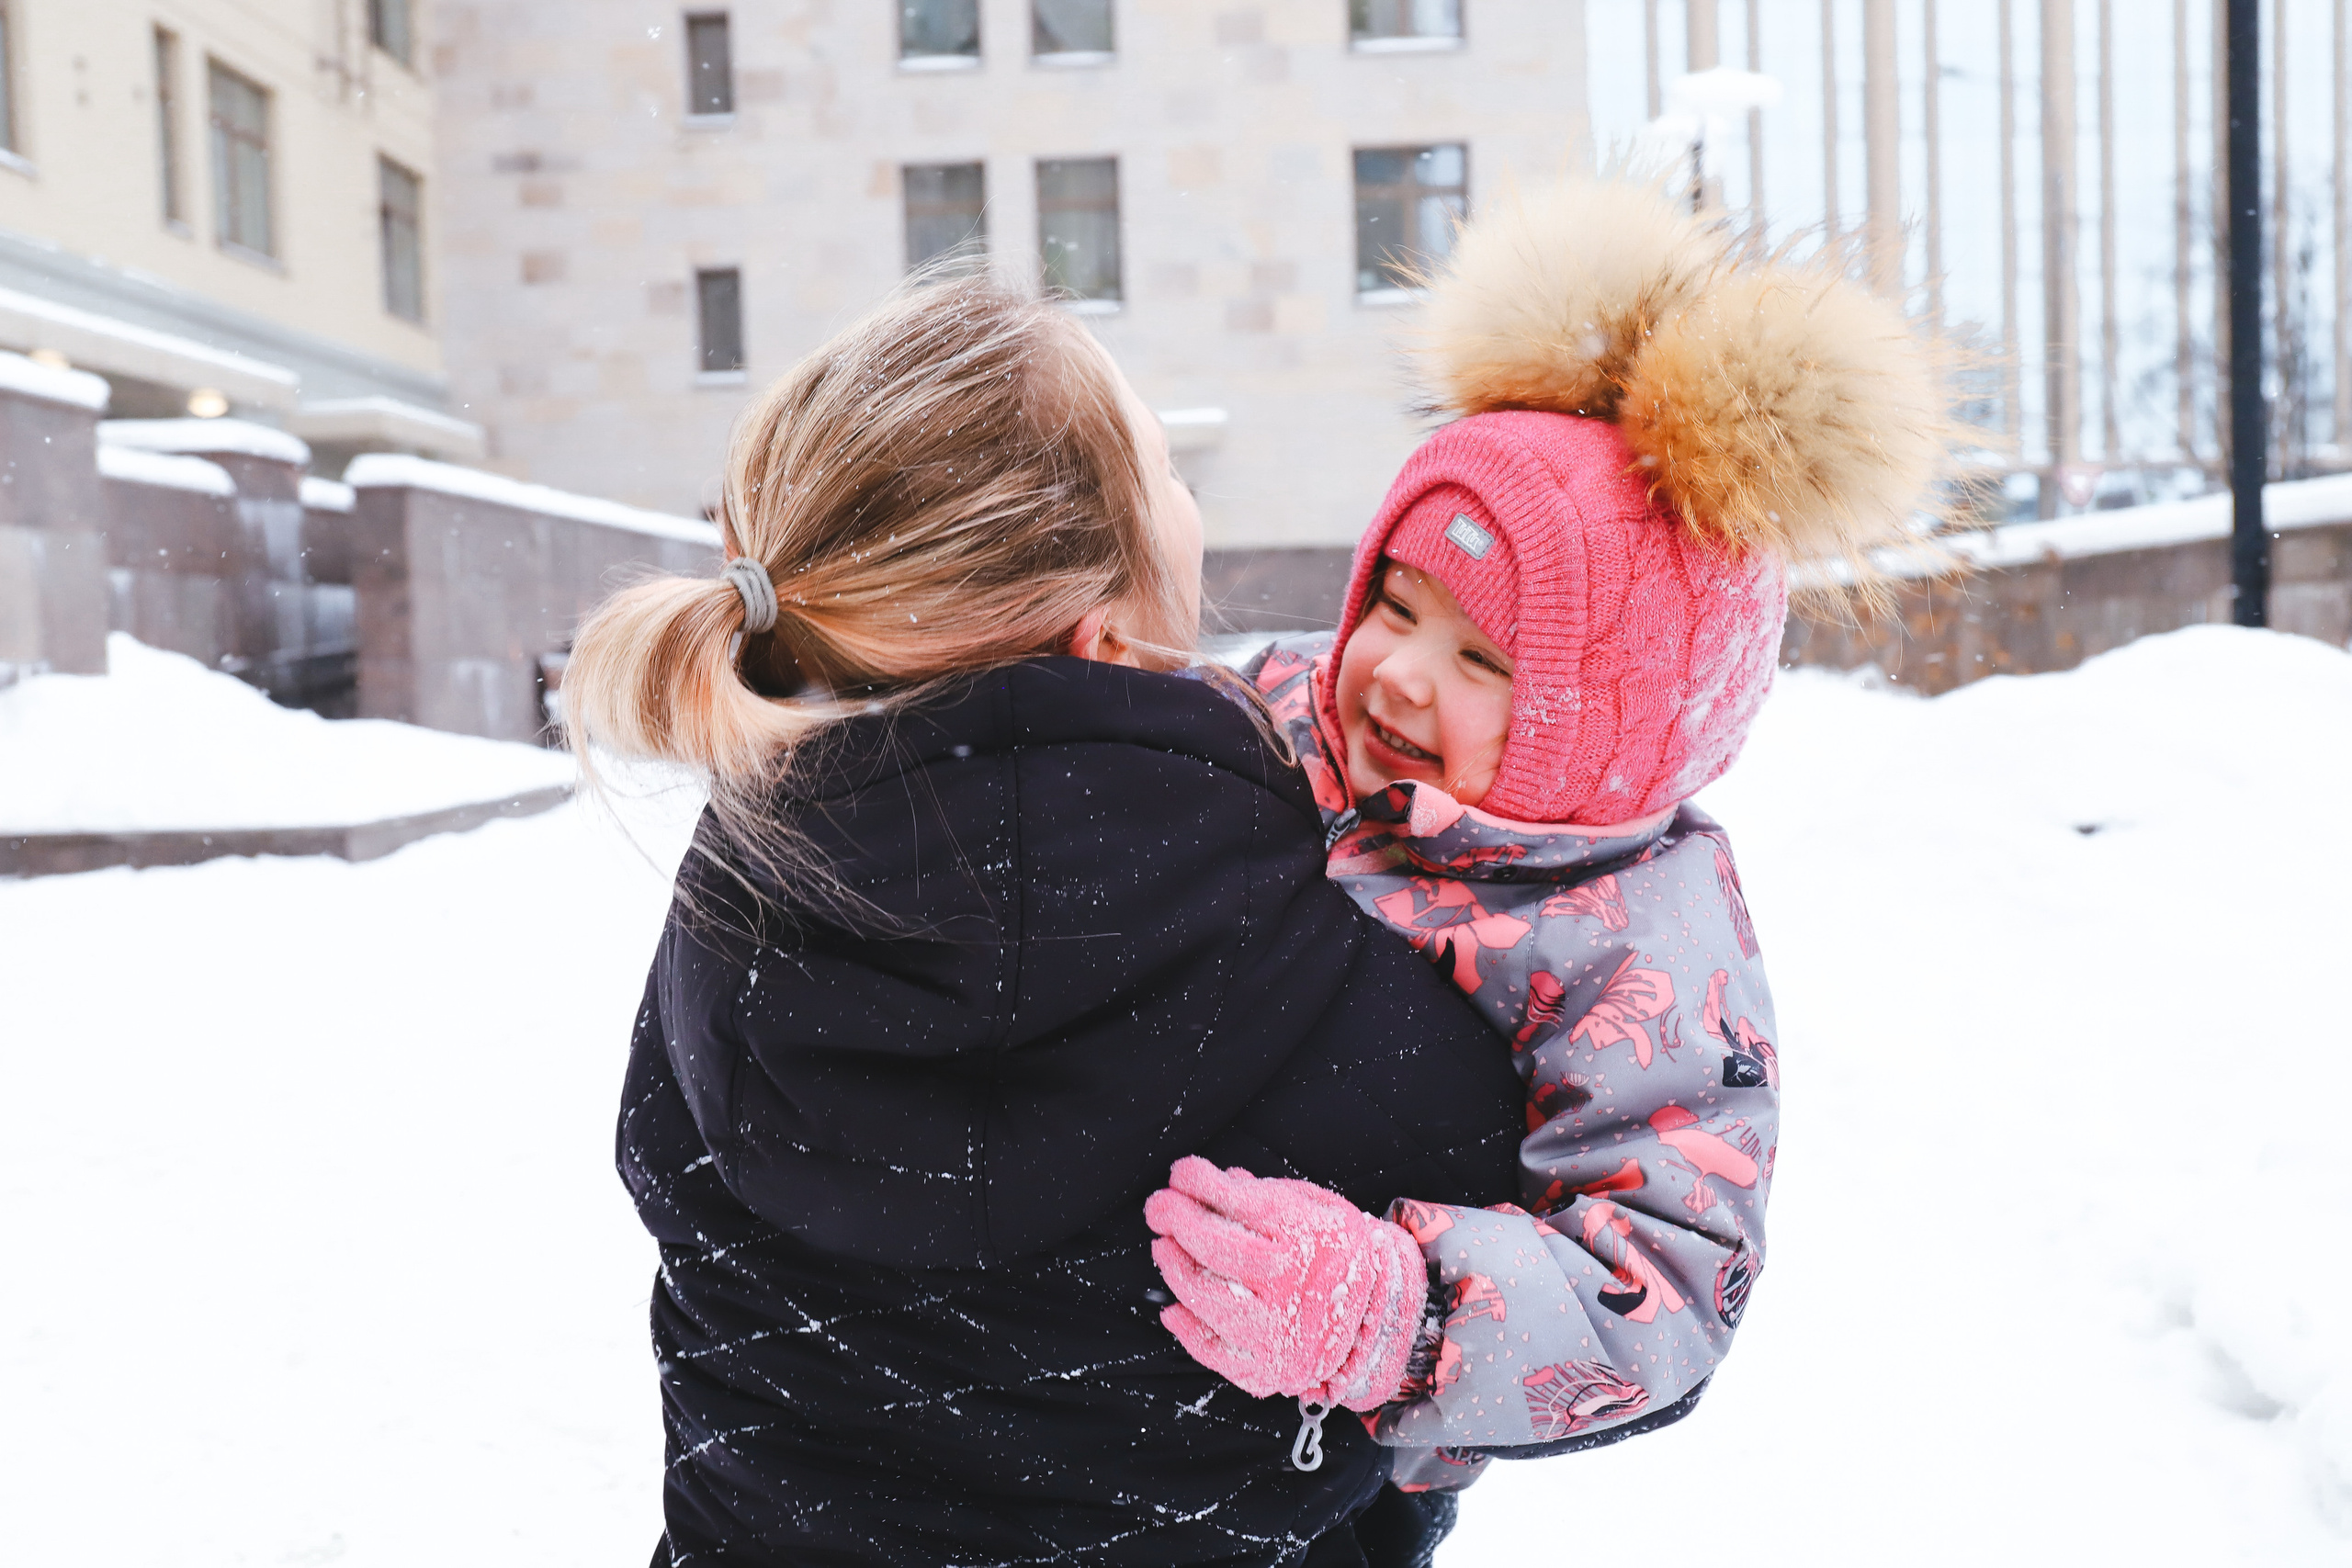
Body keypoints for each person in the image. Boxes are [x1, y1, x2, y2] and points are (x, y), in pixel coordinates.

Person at [561, 274, 1531, 1566]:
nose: (1191, 502)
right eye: (1169, 472)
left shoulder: (735, 910)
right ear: (1103, 617)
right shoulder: (1335, 966)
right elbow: (1499, 1318)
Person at [1144, 178, 1946, 1506]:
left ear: (1612, 716)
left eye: (1480, 659)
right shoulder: (1278, 715)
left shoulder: (1642, 942)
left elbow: (1669, 1283)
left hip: (1331, 1474)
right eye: (1393, 608)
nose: (1395, 674)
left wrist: (1396, 1318)